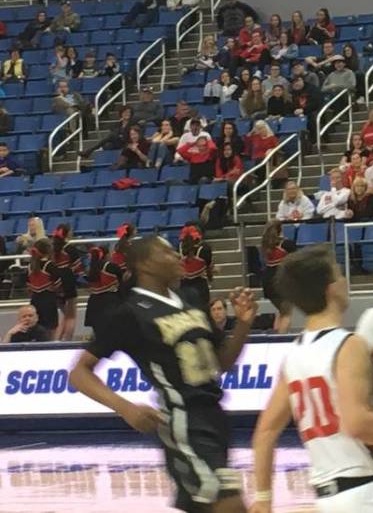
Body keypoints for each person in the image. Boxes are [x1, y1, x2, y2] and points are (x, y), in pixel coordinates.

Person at [69, 236, 256, 513]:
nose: (177, 257)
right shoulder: (128, 313)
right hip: (183, 421)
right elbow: (79, 373)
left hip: (215, 415)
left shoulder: (191, 299)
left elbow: (223, 363)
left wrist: (243, 325)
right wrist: (124, 407)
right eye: (167, 253)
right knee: (229, 503)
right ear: (145, 264)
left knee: (207, 506)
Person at [249, 245, 373, 513]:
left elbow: (265, 433)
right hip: (372, 492)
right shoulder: (349, 346)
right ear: (332, 289)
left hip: (329, 499)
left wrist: (263, 497)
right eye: (339, 274)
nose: (345, 281)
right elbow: (357, 423)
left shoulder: (293, 356)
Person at [260, 220, 296, 334]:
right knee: (287, 313)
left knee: (281, 312)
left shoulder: (265, 246)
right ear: (280, 230)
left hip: (267, 281)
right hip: (280, 280)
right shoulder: (286, 244)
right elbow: (298, 259)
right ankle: (281, 338)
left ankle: (275, 337)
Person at [178, 223, 214, 311]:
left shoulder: (179, 249)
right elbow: (209, 267)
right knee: (202, 313)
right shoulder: (204, 249)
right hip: (200, 285)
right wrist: (210, 276)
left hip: (183, 285)